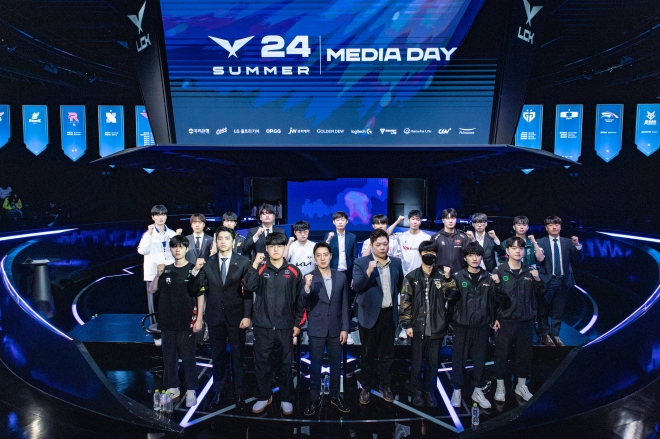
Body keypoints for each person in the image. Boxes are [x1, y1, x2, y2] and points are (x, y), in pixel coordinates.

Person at [190, 226, 252, 410]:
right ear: (216, 241)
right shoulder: (207, 262)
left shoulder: (243, 261)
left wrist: (247, 316)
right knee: (217, 357)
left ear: (233, 241)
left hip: (236, 317)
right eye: (220, 238)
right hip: (215, 316)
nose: (223, 241)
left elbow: (248, 292)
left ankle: (239, 393)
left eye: (226, 238)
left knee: (238, 357)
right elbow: (194, 288)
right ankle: (218, 392)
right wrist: (195, 270)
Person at [243, 232, 303, 415]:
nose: (275, 249)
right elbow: (248, 286)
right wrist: (254, 264)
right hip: (263, 326)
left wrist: (297, 324)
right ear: (267, 249)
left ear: (285, 248)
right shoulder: (260, 268)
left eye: (279, 246)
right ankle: (263, 396)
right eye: (272, 246)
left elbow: (300, 300)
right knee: (262, 363)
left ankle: (286, 398)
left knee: (285, 364)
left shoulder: (293, 271)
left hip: (285, 326)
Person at [149, 235, 204, 408]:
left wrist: (199, 319)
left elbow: (200, 294)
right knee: (169, 356)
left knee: (188, 357)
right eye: (174, 247)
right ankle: (173, 387)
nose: (177, 250)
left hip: (187, 320)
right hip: (167, 320)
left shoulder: (193, 269)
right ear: (171, 250)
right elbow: (152, 290)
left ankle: (191, 389)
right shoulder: (166, 269)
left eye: (180, 247)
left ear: (186, 249)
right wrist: (157, 275)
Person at [399, 240, 454, 408]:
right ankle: (416, 390)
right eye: (426, 253)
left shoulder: (442, 275)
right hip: (417, 327)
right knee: (417, 363)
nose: (429, 255)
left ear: (436, 255)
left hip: (437, 327)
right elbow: (404, 302)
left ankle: (429, 391)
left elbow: (452, 296)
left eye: (432, 252)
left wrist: (448, 278)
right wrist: (407, 324)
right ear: (420, 254)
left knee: (433, 363)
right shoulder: (411, 277)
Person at [297, 242, 350, 415]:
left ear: (331, 256)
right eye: (318, 255)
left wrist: (345, 328)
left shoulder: (340, 276)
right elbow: (302, 304)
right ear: (314, 258)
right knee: (315, 365)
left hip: (336, 328)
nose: (322, 258)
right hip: (317, 328)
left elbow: (345, 304)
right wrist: (306, 288)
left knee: (336, 364)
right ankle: (314, 397)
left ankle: (335, 395)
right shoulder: (309, 277)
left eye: (325, 254)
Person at [352, 228, 404, 405]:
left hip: (389, 314)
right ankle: (366, 387)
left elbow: (400, 284)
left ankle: (385, 385)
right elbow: (357, 287)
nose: (382, 248)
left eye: (385, 244)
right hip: (368, 315)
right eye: (378, 245)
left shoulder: (396, 262)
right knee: (367, 354)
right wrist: (368, 272)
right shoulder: (361, 262)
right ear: (371, 245)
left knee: (387, 354)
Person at [491, 237, 546, 403]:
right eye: (514, 248)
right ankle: (500, 386)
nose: (518, 251)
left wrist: (537, 279)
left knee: (524, 355)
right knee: (501, 355)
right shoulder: (499, 271)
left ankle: (521, 385)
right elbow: (493, 299)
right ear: (507, 251)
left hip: (525, 320)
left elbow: (541, 293)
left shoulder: (530, 271)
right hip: (505, 321)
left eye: (521, 248)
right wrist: (494, 318)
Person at [449, 242, 496, 410]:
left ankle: (477, 390)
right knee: (458, 359)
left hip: (482, 325)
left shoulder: (489, 277)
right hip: (461, 325)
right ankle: (457, 390)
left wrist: (493, 319)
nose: (474, 258)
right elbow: (450, 301)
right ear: (465, 258)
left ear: (481, 257)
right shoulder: (457, 277)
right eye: (470, 255)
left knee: (480, 359)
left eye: (477, 255)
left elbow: (494, 302)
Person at [535, 215, 583, 347]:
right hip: (547, 280)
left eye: (557, 225)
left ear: (560, 227)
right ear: (546, 228)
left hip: (563, 281)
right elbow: (538, 259)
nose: (554, 227)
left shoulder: (567, 242)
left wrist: (577, 245)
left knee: (558, 310)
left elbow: (578, 259)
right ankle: (545, 334)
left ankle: (555, 335)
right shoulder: (541, 242)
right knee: (543, 310)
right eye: (551, 225)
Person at [137, 205, 182, 335]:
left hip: (170, 273)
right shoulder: (147, 234)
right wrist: (150, 235)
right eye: (157, 215)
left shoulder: (172, 233)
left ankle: (171, 332)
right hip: (153, 274)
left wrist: (178, 237)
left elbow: (178, 252)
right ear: (153, 217)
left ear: (166, 216)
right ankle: (156, 335)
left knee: (171, 303)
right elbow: (142, 251)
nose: (160, 217)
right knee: (154, 304)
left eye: (163, 214)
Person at [393, 209, 432, 276]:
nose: (415, 222)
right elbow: (386, 234)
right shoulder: (402, 236)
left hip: (420, 275)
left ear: (420, 222)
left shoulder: (426, 237)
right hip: (405, 275)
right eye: (413, 219)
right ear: (408, 220)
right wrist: (397, 221)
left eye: (417, 219)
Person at [431, 208, 470, 275]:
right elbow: (432, 258)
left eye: (453, 218)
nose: (450, 221)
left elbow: (470, 255)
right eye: (447, 218)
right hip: (440, 275)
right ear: (443, 220)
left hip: (460, 275)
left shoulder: (463, 237)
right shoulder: (435, 238)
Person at [325, 211, 358, 286]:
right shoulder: (328, 236)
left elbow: (355, 258)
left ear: (347, 221)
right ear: (333, 222)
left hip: (348, 272)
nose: (340, 222)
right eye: (337, 220)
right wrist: (328, 240)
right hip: (333, 271)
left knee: (347, 293)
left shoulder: (352, 237)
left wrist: (354, 276)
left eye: (342, 220)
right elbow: (323, 252)